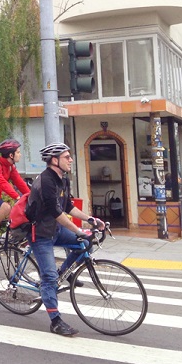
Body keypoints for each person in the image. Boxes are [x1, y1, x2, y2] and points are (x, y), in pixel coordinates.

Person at [27, 142, 104, 337]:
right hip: (41, 233)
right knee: (49, 278)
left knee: (85, 244)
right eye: (66, 157)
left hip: (56, 230)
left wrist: (91, 220)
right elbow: (56, 212)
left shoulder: (63, 179)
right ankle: (55, 321)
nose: (70, 160)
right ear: (54, 160)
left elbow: (68, 206)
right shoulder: (46, 181)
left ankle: (65, 273)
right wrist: (78, 229)